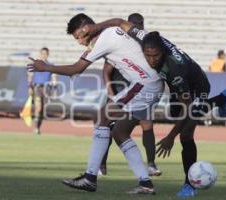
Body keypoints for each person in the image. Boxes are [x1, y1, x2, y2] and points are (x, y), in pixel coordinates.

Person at [83, 18, 226, 197]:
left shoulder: (176, 72)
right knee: (173, 113)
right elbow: (119, 22)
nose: (152, 60)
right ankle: (221, 99)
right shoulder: (146, 39)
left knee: (185, 132)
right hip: (178, 88)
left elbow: (187, 108)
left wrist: (170, 137)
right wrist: (97, 27)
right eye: (148, 56)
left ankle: (189, 185)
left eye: (155, 56)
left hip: (196, 85)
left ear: (161, 52)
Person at [27, 13, 163, 194]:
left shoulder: (103, 40)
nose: (78, 42)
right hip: (149, 84)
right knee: (120, 133)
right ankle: (145, 183)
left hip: (145, 85)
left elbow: (76, 68)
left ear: (86, 29)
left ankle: (90, 177)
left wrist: (46, 67)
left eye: (78, 37)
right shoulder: (110, 33)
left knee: (102, 116)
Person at [100, 12, 162, 177]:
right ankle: (101, 165)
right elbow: (106, 72)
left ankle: (151, 165)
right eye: (134, 23)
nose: (138, 26)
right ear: (128, 25)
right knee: (107, 125)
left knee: (147, 123)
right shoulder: (119, 43)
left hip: (140, 91)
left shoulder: (146, 45)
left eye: (140, 23)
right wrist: (111, 94)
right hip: (119, 90)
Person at [27, 47, 57, 134]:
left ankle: (38, 127)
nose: (44, 55)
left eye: (45, 54)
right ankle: (35, 128)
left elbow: (54, 78)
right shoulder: (35, 64)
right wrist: (29, 87)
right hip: (37, 87)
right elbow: (30, 76)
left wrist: (54, 90)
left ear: (48, 55)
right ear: (40, 54)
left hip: (46, 88)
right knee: (38, 107)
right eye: (42, 54)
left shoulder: (50, 65)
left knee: (43, 109)